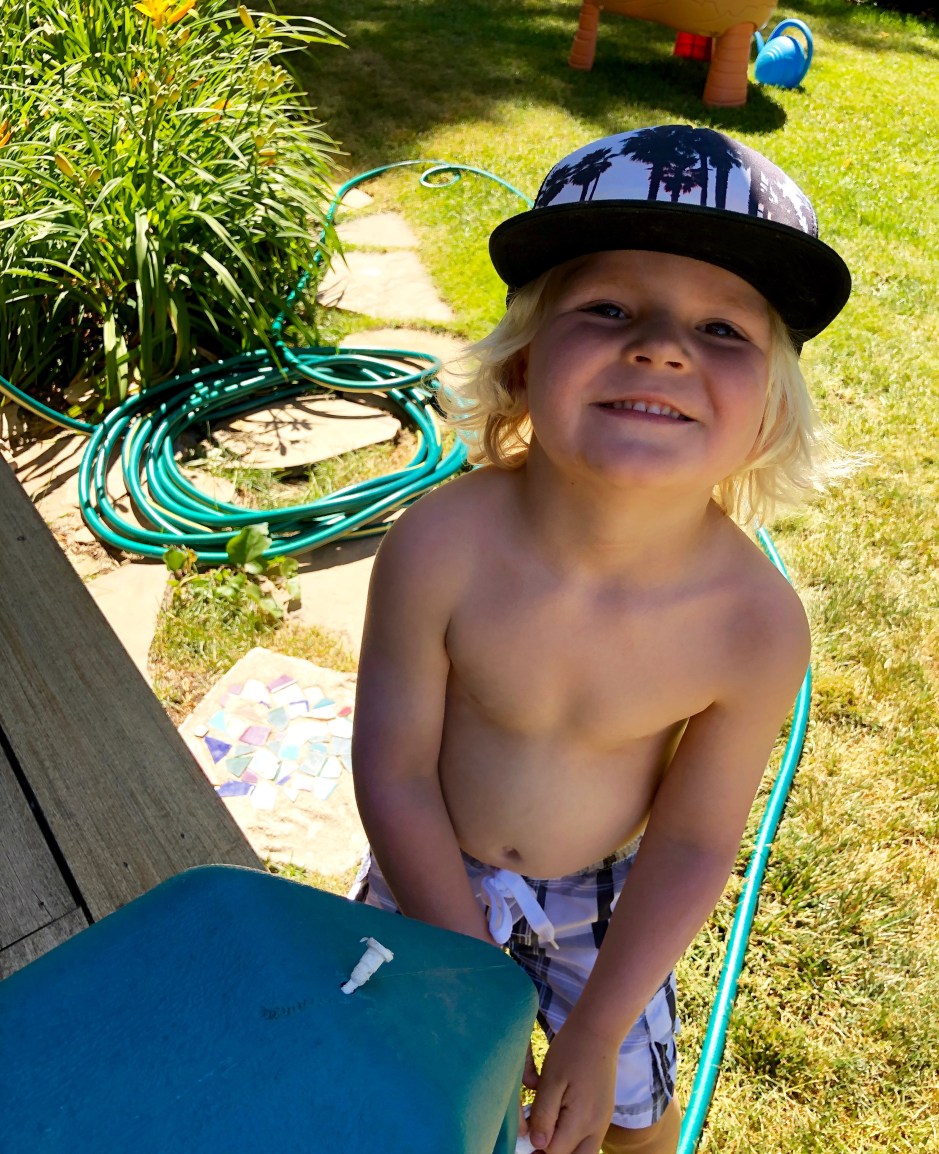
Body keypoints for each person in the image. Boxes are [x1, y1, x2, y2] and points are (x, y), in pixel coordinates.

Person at [349, 125, 852, 1154]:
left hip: (607, 911)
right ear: (524, 364)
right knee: (397, 1085)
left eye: (721, 329)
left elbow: (696, 838)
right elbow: (392, 771)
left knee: (628, 1122)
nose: (662, 346)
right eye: (610, 308)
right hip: (423, 866)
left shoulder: (755, 627)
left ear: (766, 413)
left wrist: (601, 1022)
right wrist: (465, 977)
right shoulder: (439, 544)